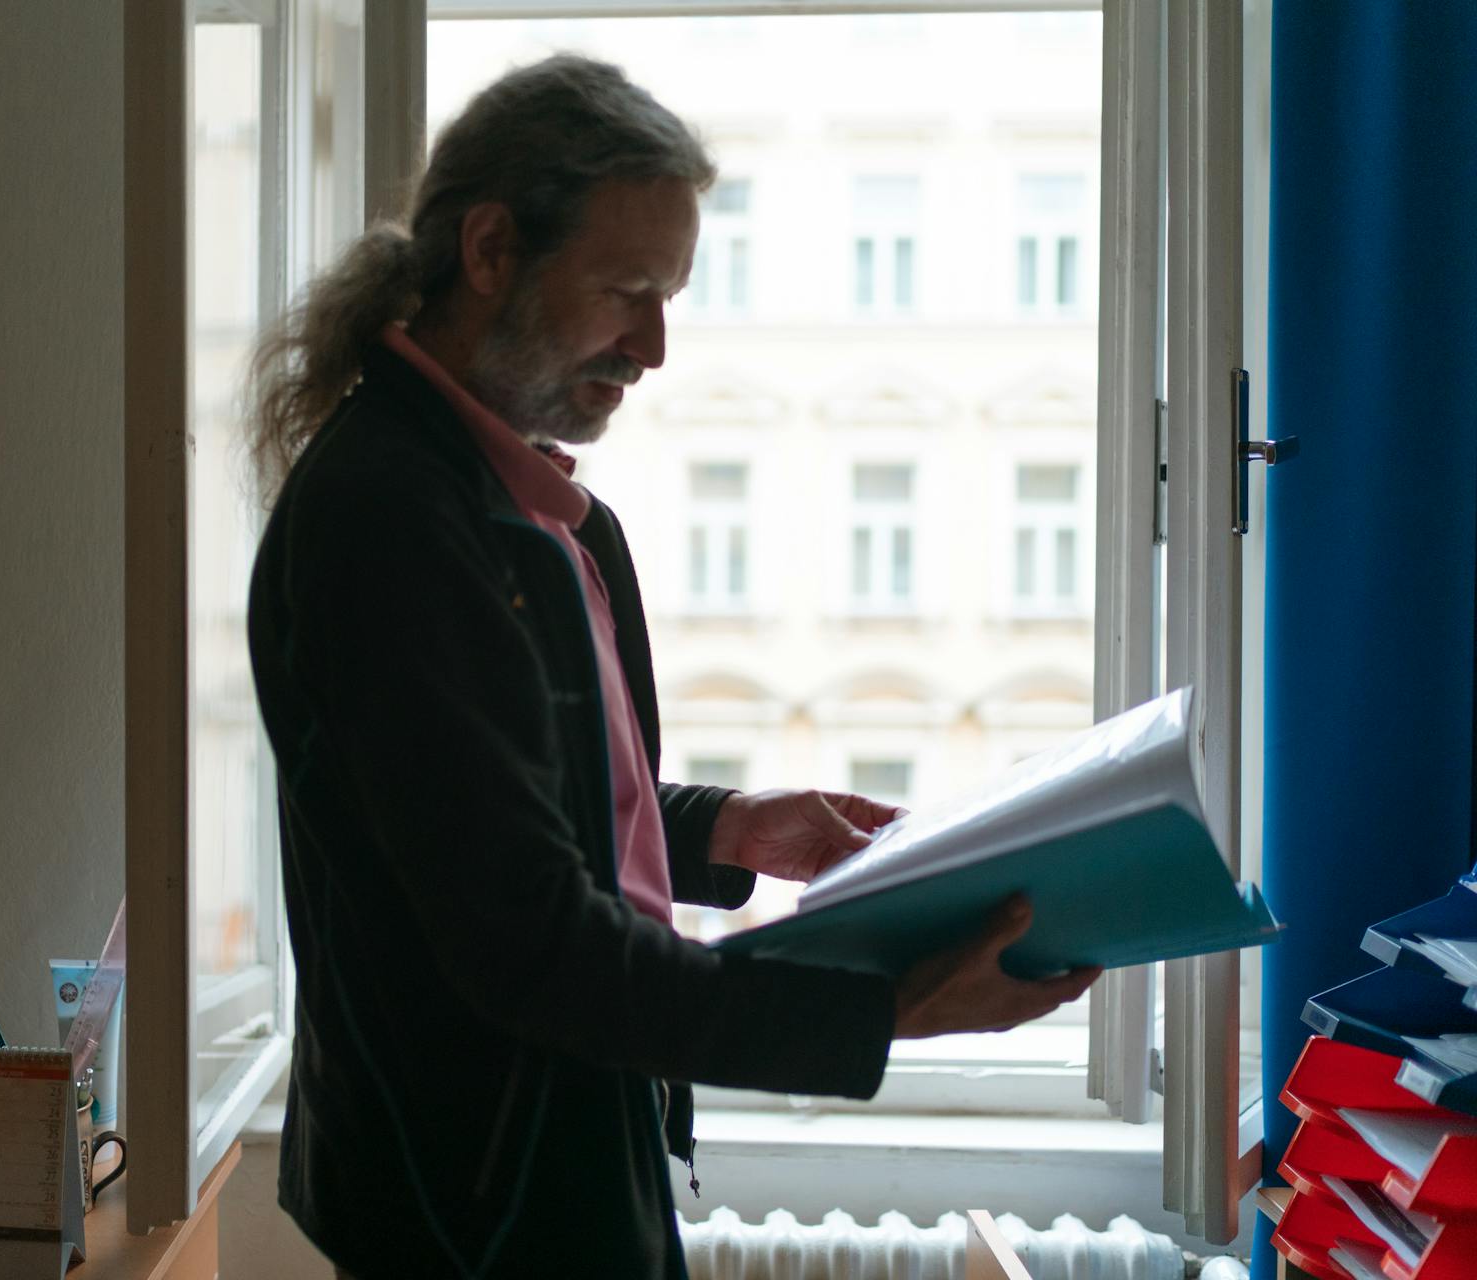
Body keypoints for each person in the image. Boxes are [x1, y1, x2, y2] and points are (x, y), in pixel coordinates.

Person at [243, 55, 1098, 1280]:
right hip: (478, 1223)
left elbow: (511, 816)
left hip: (544, 1174)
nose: (653, 345)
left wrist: (728, 828)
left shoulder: (534, 514)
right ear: (490, 249)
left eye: (671, 294)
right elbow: (531, 937)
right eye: (628, 289)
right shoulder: (394, 521)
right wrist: (887, 1007)